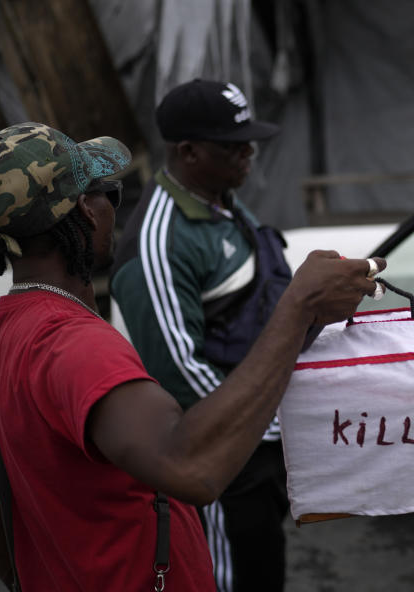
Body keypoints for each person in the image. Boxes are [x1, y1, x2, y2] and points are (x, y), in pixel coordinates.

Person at [0, 121, 383, 590]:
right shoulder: (75, 345)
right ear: (85, 212)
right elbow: (192, 469)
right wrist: (297, 309)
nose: (114, 208)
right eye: (108, 192)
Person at [108, 78, 306, 591]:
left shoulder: (224, 203)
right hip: (225, 461)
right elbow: (180, 374)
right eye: (232, 146)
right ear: (188, 151)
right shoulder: (160, 242)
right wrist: (269, 425)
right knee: (229, 579)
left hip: (261, 444)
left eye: (250, 141)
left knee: (265, 567)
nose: (249, 155)